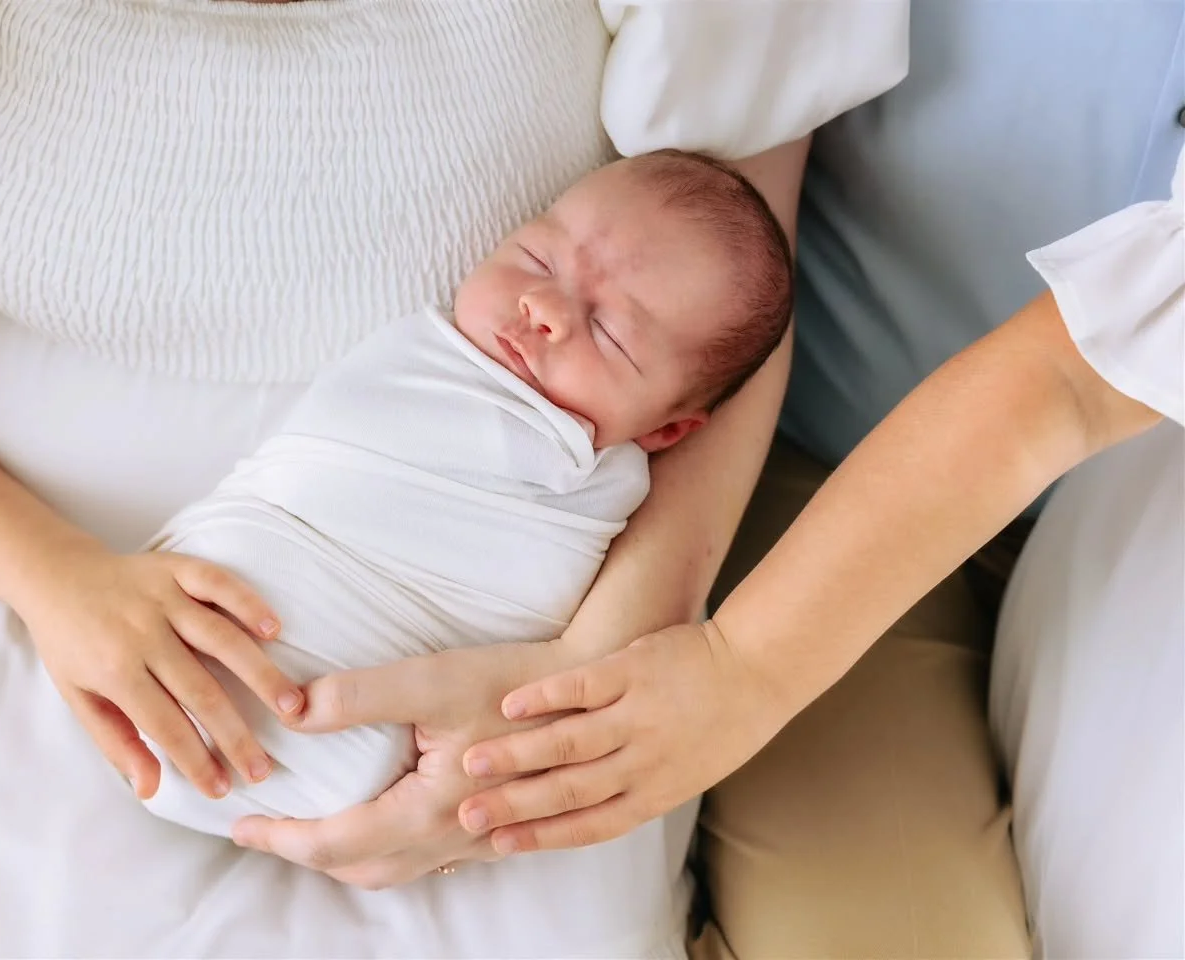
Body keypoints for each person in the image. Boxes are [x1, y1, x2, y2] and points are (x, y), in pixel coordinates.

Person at [0, 1, 906, 957]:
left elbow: (726, 341)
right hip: (2, 590)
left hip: (501, 660)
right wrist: (64, 589)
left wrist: (559, 712)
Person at [383, 4, 1181, 957]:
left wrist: (738, 672)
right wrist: (619, 666)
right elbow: (732, 191)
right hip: (817, 478)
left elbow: (1073, 385)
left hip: (1134, 493)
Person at [142, 151, 794, 834]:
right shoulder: (421, 355)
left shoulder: (596, 483)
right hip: (195, 610)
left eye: (608, 331)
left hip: (356, 734)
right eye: (537, 258)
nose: (541, 306)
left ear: (668, 431)